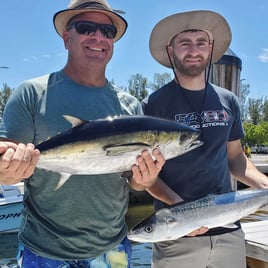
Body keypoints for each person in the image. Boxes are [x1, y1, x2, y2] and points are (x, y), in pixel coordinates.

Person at [0, 1, 171, 267]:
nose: (98, 37)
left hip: (111, 248)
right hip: (44, 251)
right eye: (86, 27)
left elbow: (132, 182)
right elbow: (4, 165)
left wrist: (145, 179)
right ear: (67, 38)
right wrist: (9, 170)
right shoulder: (31, 94)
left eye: (107, 31)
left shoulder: (130, 107)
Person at [143, 10, 268, 268]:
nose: (194, 50)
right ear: (171, 50)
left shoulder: (229, 100)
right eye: (185, 43)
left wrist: (264, 184)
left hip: (229, 230)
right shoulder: (153, 105)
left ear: (210, 50)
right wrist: (182, 212)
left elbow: (235, 159)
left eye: (201, 42)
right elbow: (147, 176)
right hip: (175, 234)